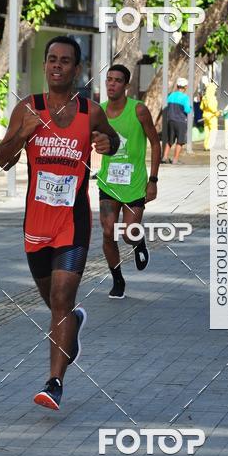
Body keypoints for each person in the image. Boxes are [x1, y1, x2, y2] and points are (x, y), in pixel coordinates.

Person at [0, 35, 119, 411]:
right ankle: (71, 327)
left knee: (62, 299)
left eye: (65, 60)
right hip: (36, 222)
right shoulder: (27, 108)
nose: (57, 65)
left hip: (73, 221)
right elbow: (3, 159)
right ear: (45, 64)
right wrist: (23, 133)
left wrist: (106, 143)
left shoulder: (90, 111)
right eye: (52, 59)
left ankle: (54, 383)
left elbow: (112, 139)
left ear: (77, 69)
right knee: (55, 304)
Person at [96, 64, 161, 298]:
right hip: (108, 183)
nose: (111, 84)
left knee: (127, 233)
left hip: (134, 183)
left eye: (117, 80)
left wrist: (153, 180)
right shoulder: (99, 112)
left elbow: (155, 143)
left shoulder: (139, 110)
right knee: (108, 232)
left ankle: (138, 241)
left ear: (126, 85)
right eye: (109, 79)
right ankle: (117, 280)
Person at [162, 77, 192, 163]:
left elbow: (167, 106)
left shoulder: (171, 95)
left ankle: (164, 157)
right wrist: (190, 107)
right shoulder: (185, 97)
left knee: (170, 140)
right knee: (180, 141)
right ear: (185, 87)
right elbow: (187, 110)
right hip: (181, 121)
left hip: (171, 120)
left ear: (177, 86)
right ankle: (175, 160)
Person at [201, 81, 221, 151]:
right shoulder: (212, 98)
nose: (215, 90)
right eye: (215, 89)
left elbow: (201, 107)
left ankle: (206, 146)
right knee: (213, 131)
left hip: (205, 116)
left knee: (207, 131)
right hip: (212, 117)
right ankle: (210, 146)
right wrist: (217, 112)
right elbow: (212, 107)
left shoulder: (204, 97)